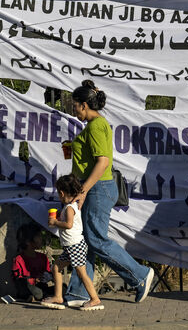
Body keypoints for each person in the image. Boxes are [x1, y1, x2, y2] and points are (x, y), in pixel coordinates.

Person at [63, 80, 153, 307]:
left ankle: (139, 275)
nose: (74, 110)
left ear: (84, 105)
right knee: (86, 241)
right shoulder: (92, 127)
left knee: (95, 239)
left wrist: (82, 191)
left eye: (75, 106)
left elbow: (102, 162)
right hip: (94, 188)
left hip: (98, 189)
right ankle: (79, 293)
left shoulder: (96, 126)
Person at [41, 174, 103, 310]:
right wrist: (59, 218)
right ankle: (58, 297)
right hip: (71, 247)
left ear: (62, 193)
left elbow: (68, 225)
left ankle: (95, 299)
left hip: (75, 246)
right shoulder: (70, 207)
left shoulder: (69, 208)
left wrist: (55, 222)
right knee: (56, 268)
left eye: (58, 192)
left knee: (82, 273)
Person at [12, 223, 52, 302]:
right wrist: (33, 279)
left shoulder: (43, 257)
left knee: (63, 287)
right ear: (28, 242)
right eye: (39, 236)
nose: (41, 239)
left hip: (41, 287)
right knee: (30, 288)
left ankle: (39, 296)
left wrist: (48, 276)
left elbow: (48, 272)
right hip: (28, 289)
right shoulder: (18, 259)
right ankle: (39, 296)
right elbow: (18, 280)